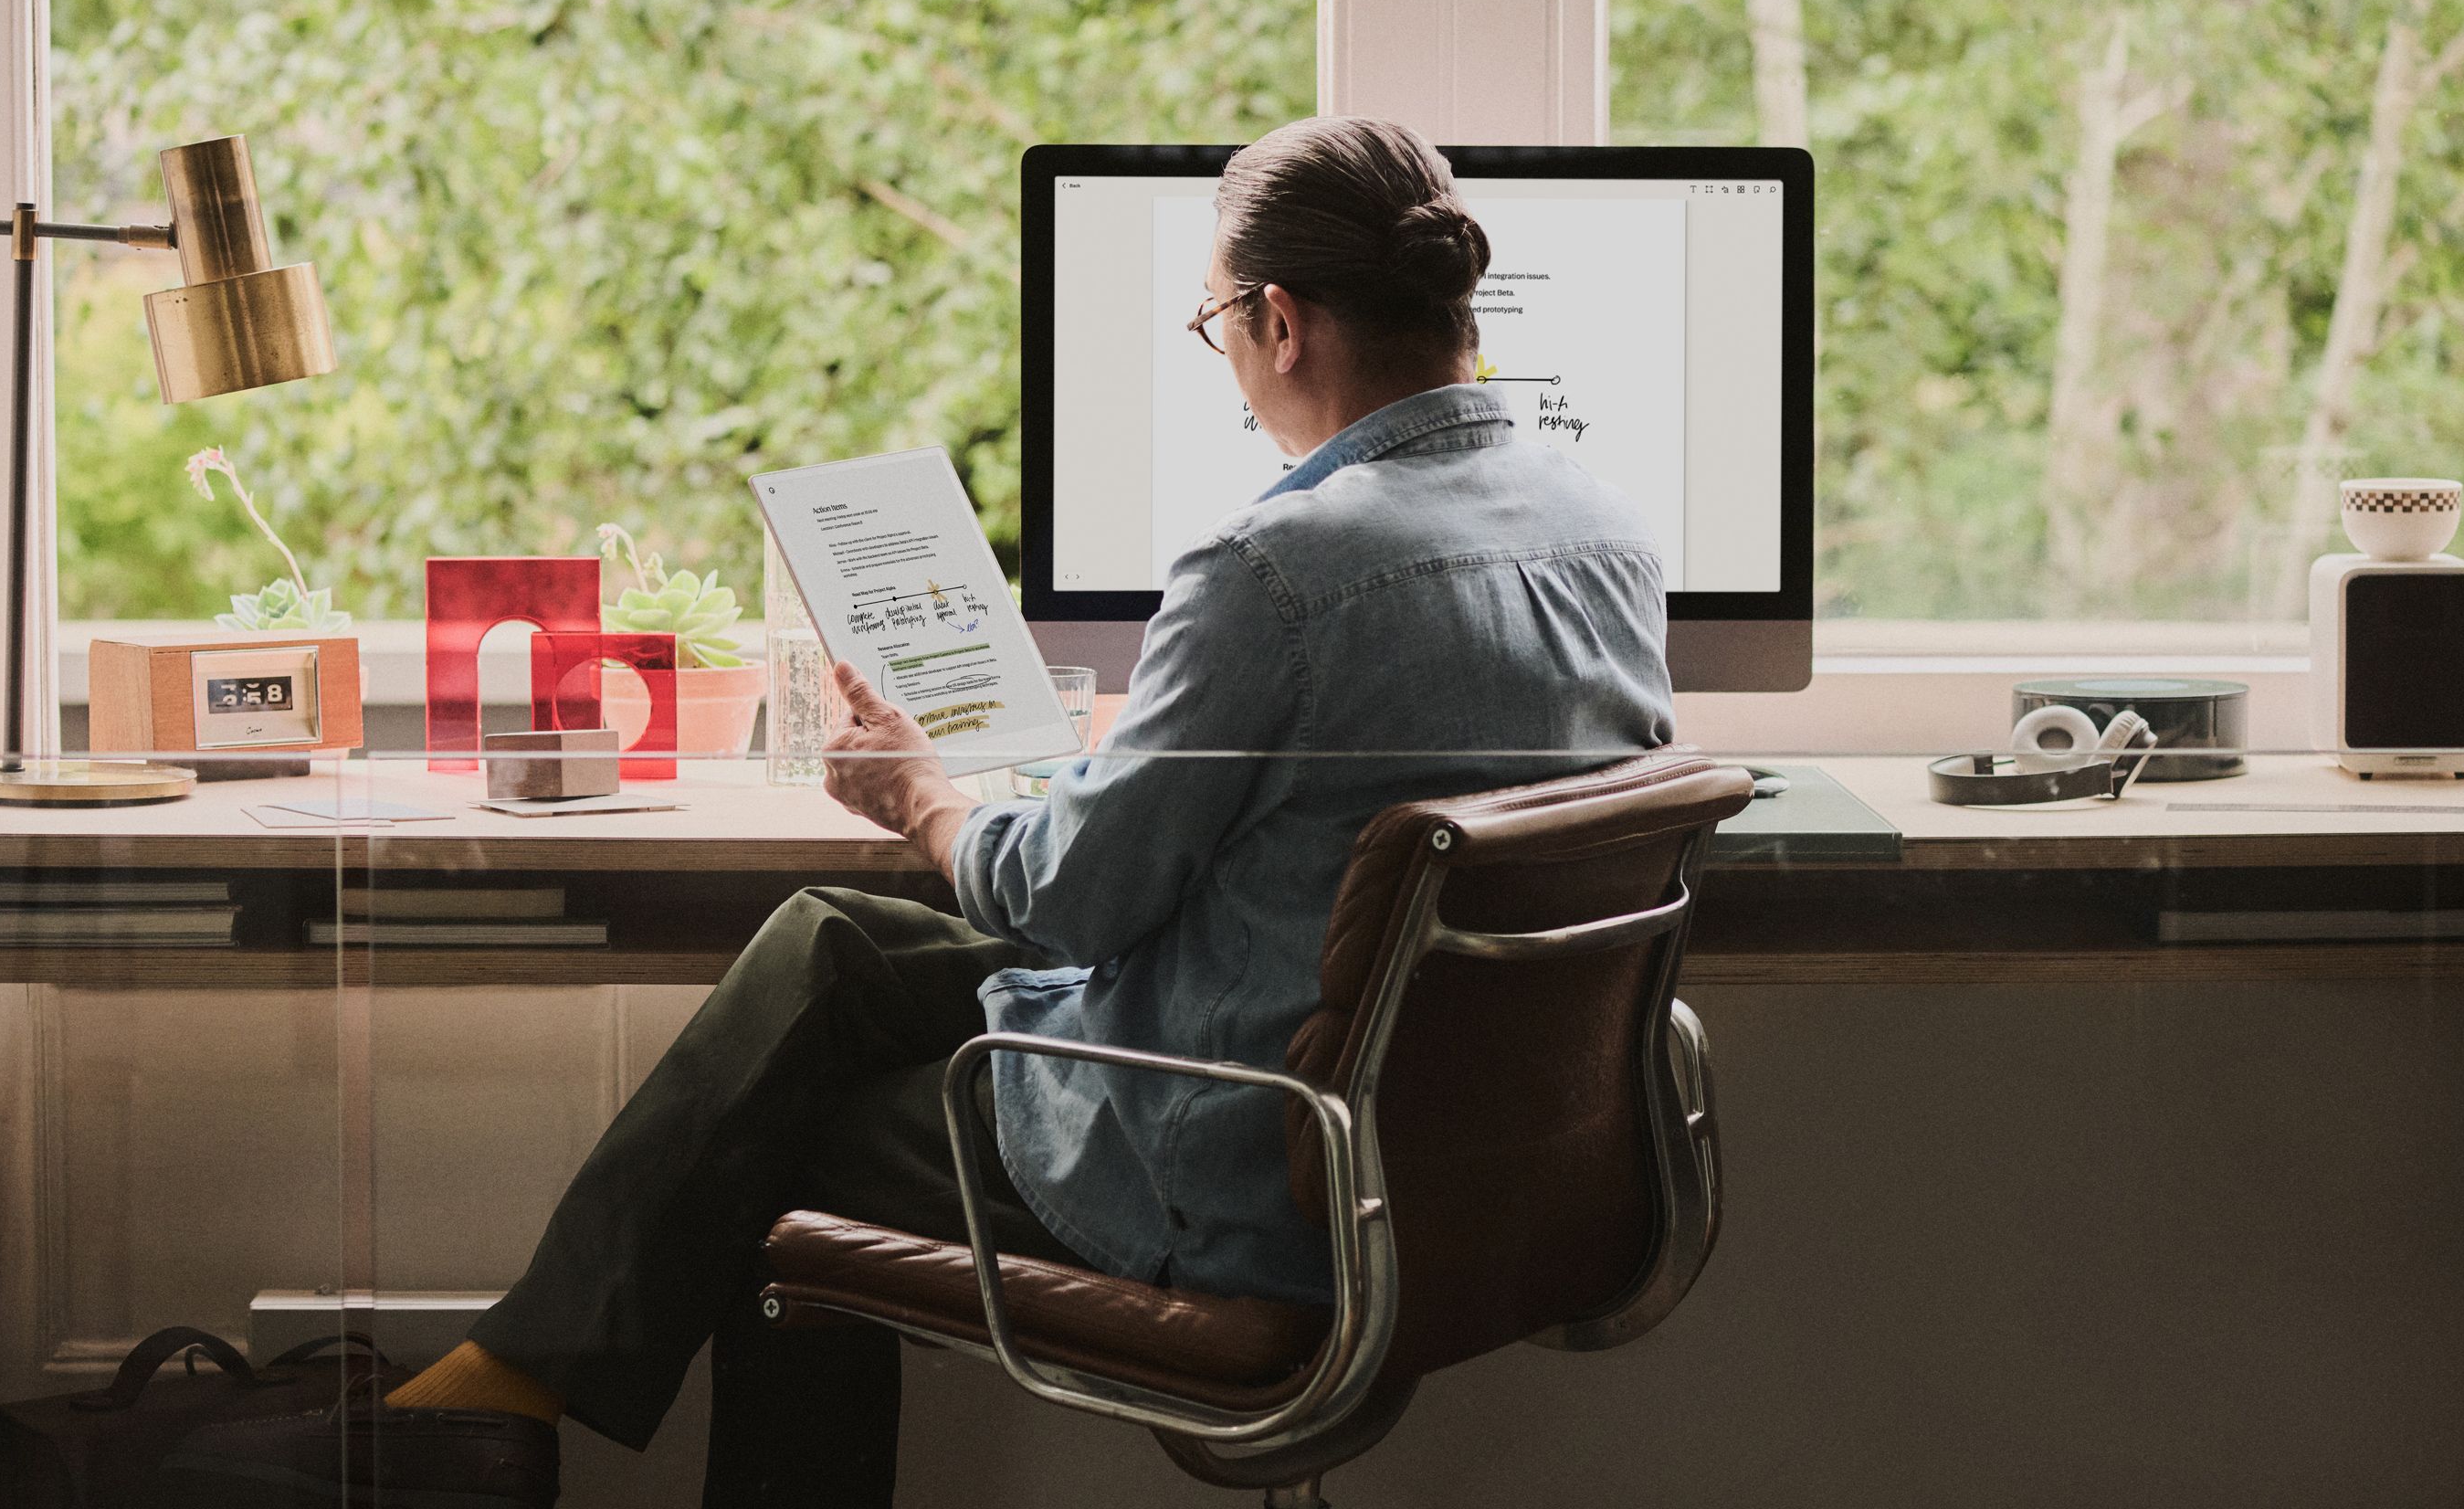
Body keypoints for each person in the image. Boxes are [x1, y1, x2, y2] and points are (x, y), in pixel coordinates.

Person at [323, 117, 1675, 1507]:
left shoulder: (1279, 566)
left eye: (1214, 325)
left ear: (1278, 322)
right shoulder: (1609, 530)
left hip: (1253, 1160)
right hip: (1456, 1155)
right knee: (830, 947)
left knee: (770, 1152)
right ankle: (515, 1370)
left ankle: (495, 1406)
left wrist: (920, 796)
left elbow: (1073, 901)